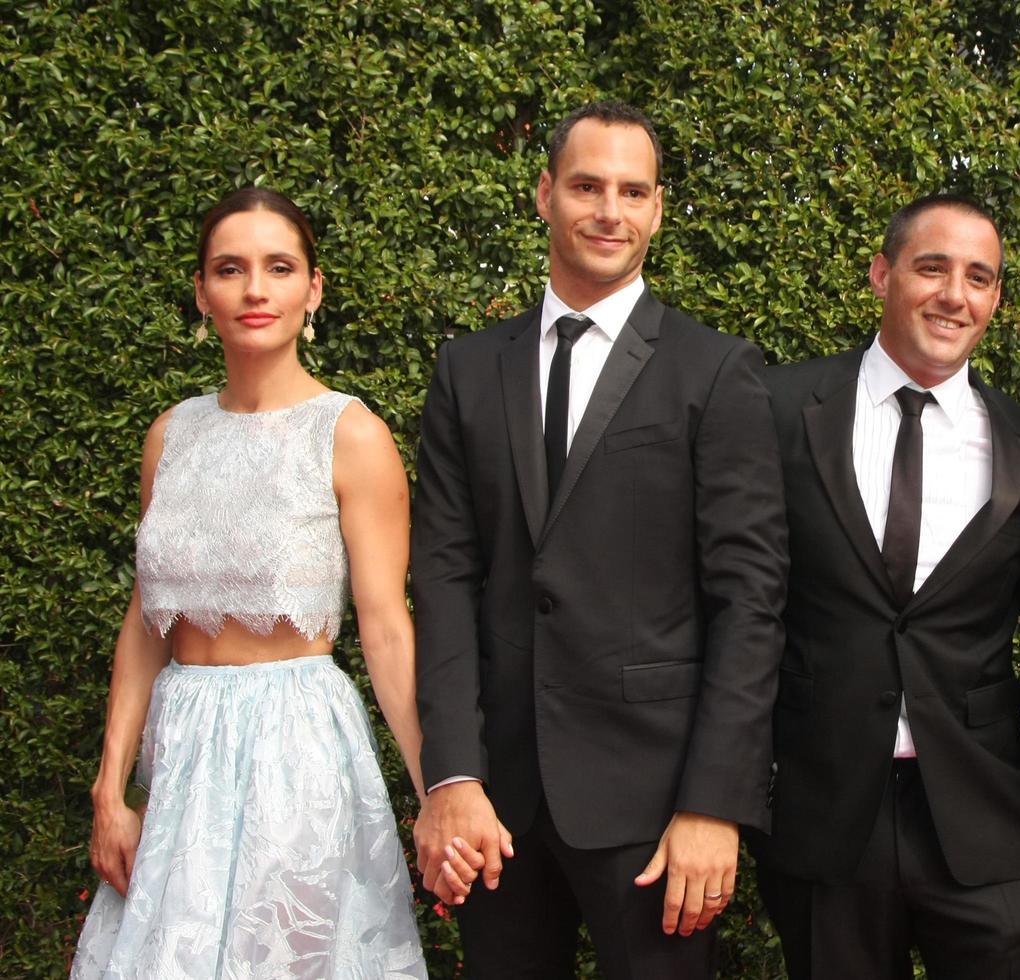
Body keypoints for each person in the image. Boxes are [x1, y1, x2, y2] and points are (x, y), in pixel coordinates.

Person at [409, 100, 787, 979]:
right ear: (545, 194)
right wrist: (452, 777)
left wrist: (714, 804)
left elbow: (751, 599)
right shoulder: (468, 370)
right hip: (494, 808)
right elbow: (444, 577)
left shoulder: (716, 371)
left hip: (657, 811)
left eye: (632, 191)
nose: (609, 211)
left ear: (657, 208)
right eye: (586, 186)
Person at [71, 188, 428, 978]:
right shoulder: (172, 433)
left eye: (279, 267)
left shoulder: (352, 434)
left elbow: (386, 625)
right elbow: (145, 618)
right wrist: (110, 788)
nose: (256, 290)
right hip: (179, 760)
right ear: (202, 292)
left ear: (314, 289)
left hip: (293, 753)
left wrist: (437, 788)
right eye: (230, 269)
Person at [751, 193, 1020, 979]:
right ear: (882, 274)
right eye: (932, 267)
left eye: (979, 278)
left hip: (984, 816)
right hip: (824, 812)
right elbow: (736, 602)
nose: (956, 294)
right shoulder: (779, 408)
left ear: (995, 300)